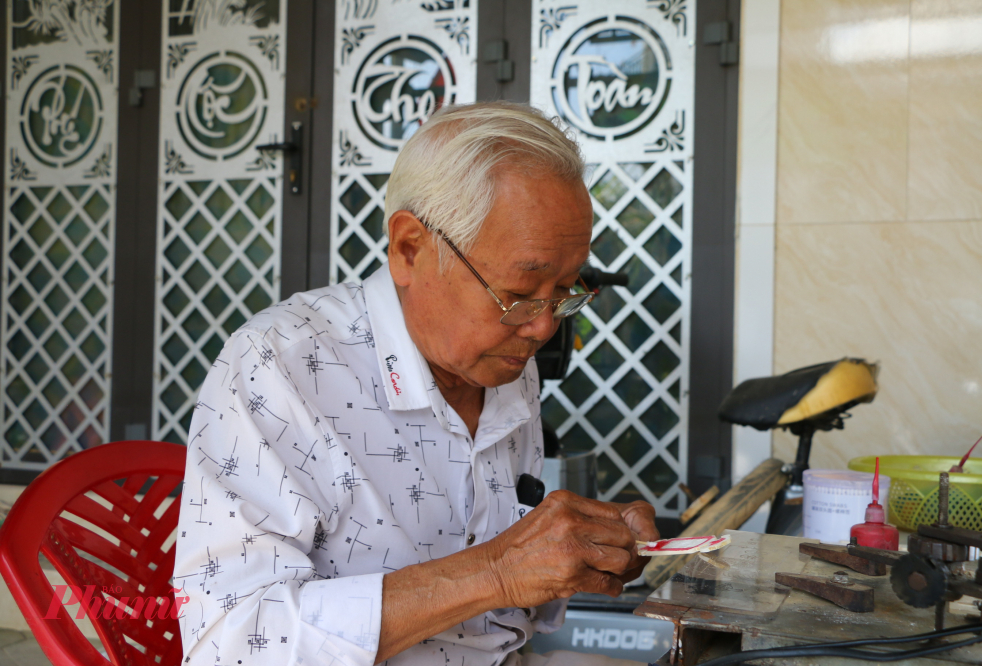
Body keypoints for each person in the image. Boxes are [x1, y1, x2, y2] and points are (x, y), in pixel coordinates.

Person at [173, 102, 660, 666]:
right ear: (410, 248)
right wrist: (498, 572)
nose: (544, 325)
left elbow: (506, 608)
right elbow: (231, 642)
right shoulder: (279, 367)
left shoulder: (506, 364)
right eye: (520, 292)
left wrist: (582, 547)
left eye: (566, 291)